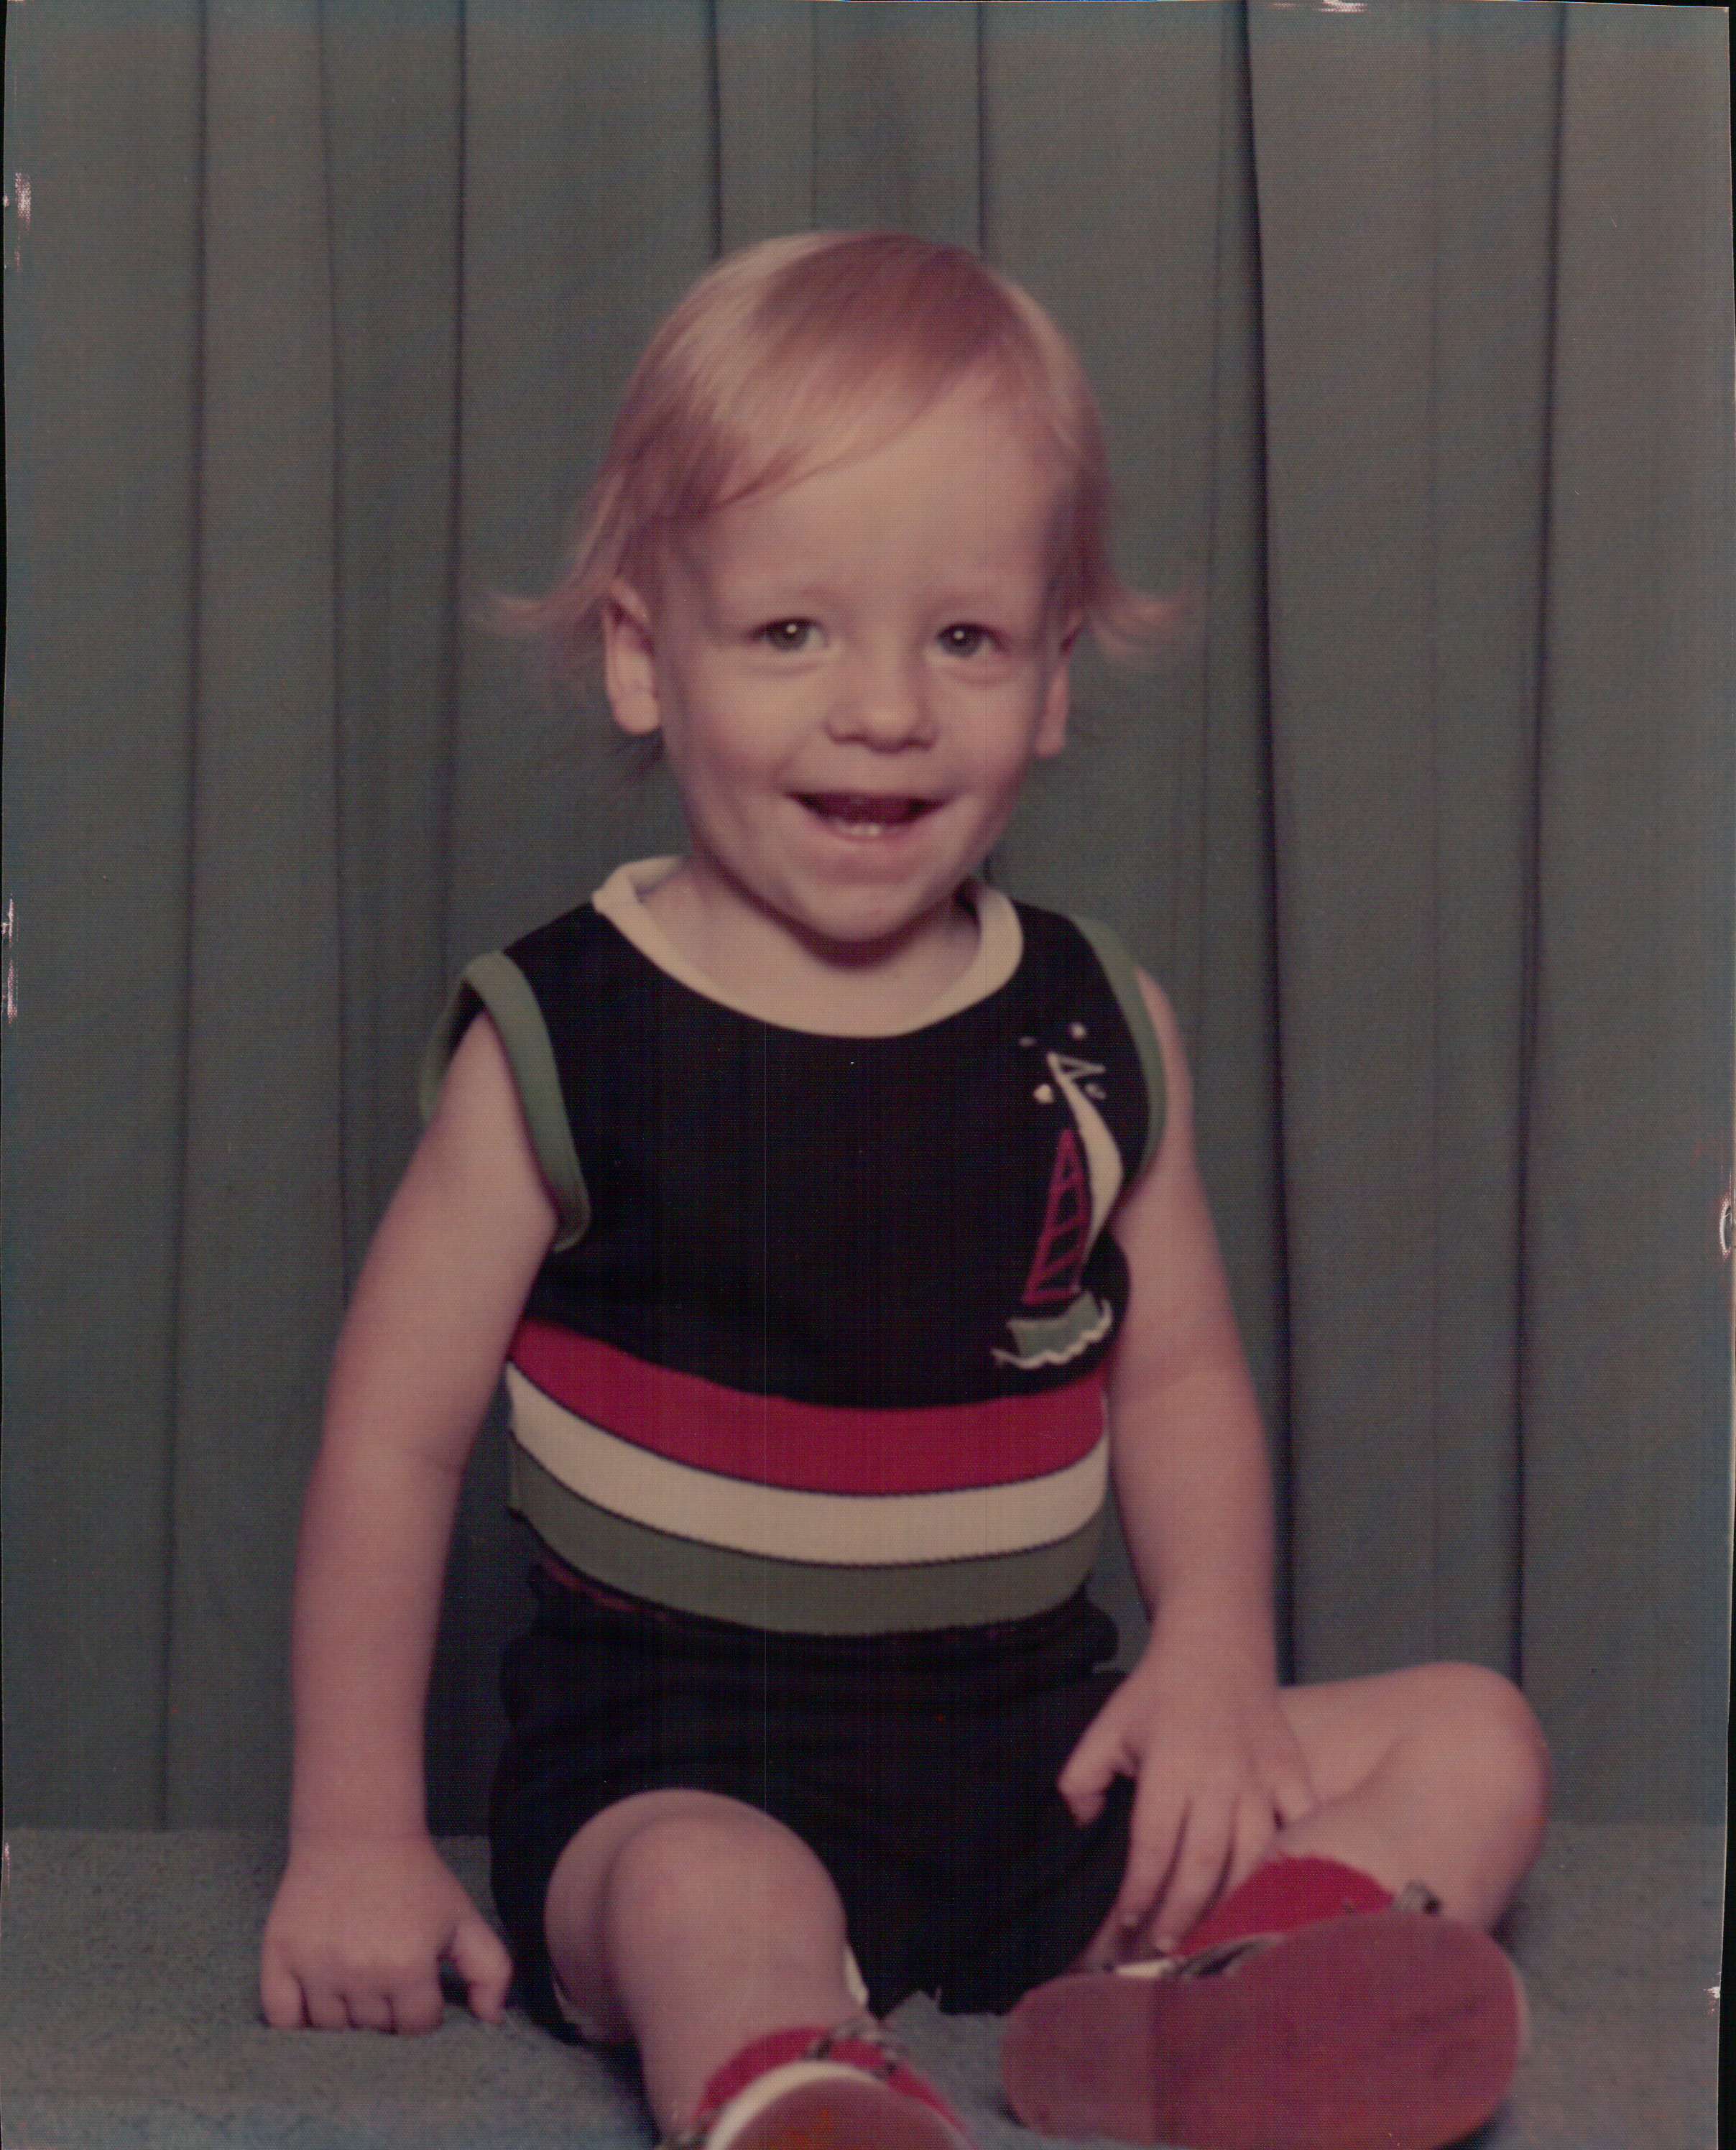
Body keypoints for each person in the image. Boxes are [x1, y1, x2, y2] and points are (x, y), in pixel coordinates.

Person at [259, 231, 1550, 2150]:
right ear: (643, 655)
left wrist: (1213, 1655)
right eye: (793, 632)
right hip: (681, 1765)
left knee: (1475, 1735)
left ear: (1052, 678)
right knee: (706, 1900)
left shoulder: (1098, 1024)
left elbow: (1181, 1378)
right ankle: (791, 2080)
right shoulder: (562, 1035)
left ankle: (1223, 1999)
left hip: (1037, 1756)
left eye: (964, 639)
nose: (885, 708)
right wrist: (357, 1834)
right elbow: (393, 1444)